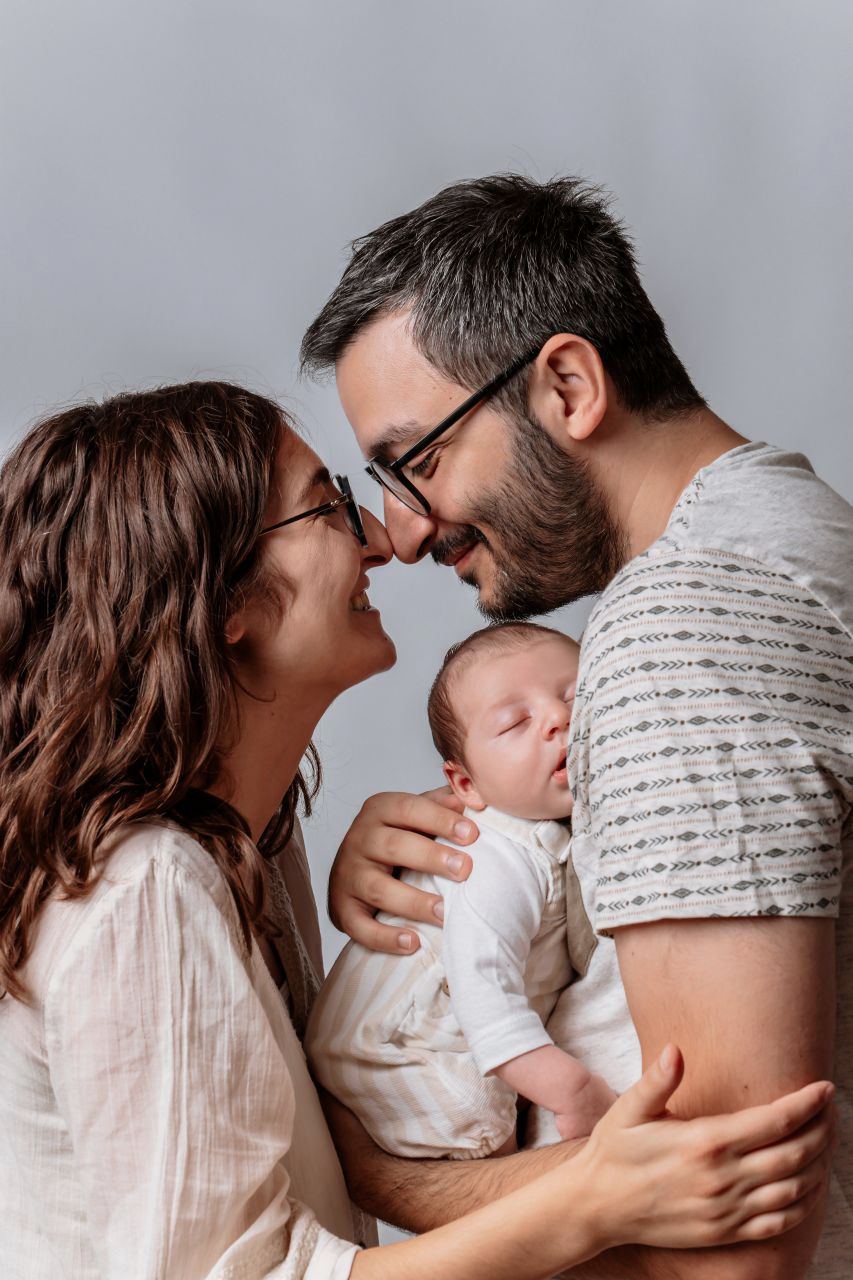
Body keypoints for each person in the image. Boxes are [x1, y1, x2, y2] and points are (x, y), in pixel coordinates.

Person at [0, 382, 834, 1280]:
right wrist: (591, 1199)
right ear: (222, 599)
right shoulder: (147, 882)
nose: (382, 539)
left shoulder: (250, 847)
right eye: (327, 506)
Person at [300, 173, 853, 1278]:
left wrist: (377, 1171)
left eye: (418, 461)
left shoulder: (675, 631)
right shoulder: (792, 524)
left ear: (565, 384)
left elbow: (733, 1235)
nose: (403, 534)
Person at [306, 621, 617, 1159]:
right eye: (516, 722)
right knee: (490, 1146)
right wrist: (573, 1091)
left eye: (575, 695)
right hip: (399, 1050)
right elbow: (483, 992)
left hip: (426, 1037)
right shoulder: (495, 857)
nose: (559, 718)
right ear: (467, 785)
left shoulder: (557, 834)